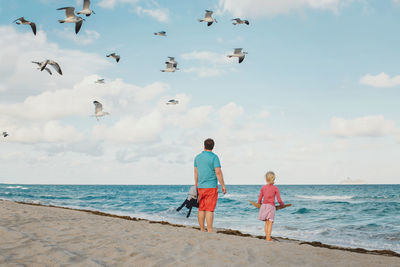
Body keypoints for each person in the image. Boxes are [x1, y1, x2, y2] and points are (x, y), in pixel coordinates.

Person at [194, 138, 226, 232]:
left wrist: (196, 183)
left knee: (201, 208)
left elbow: (196, 172)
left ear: (204, 146)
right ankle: (210, 229)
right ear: (213, 147)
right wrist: (223, 185)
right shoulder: (214, 157)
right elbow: (218, 172)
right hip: (211, 186)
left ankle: (202, 229)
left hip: (201, 186)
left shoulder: (197, 157)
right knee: (209, 209)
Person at [258, 171, 284, 241]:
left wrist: (259, 204)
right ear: (274, 179)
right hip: (271, 207)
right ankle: (268, 238)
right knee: (270, 222)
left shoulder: (263, 187)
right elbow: (279, 200)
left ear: (266, 179)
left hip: (264, 206)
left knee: (266, 222)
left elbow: (260, 198)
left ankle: (267, 237)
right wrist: (282, 204)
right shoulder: (275, 188)